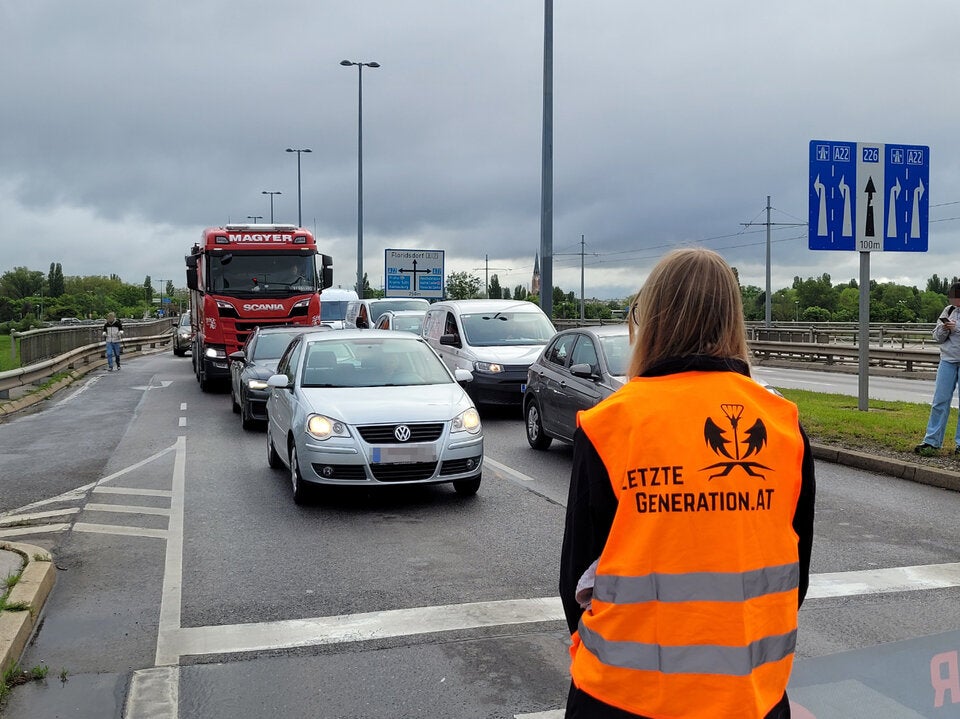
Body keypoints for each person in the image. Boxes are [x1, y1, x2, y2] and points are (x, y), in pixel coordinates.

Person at [559, 247, 816, 719]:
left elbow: (576, 577)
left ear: (649, 320)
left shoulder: (611, 423)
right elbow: (793, 573)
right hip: (749, 698)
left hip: (621, 697)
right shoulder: (783, 426)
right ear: (733, 321)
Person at [914, 282, 960, 455]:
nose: (954, 300)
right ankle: (932, 441)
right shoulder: (948, 310)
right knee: (939, 401)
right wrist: (944, 328)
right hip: (947, 360)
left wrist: (957, 328)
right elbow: (937, 337)